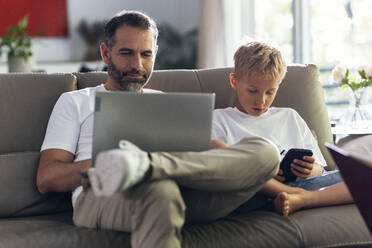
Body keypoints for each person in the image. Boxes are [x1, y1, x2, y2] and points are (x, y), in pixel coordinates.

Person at [36, 10, 280, 248]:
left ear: (155, 54)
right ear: (106, 53)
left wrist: (290, 190)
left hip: (184, 185)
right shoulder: (76, 101)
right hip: (102, 195)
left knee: (266, 153)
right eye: (126, 53)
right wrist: (106, 163)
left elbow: (214, 153)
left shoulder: (164, 100)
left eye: (146, 54)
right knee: (160, 191)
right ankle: (137, 166)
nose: (137, 64)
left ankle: (146, 165)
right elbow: (46, 178)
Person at [212, 40, 354, 216]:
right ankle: (300, 198)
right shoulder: (218, 119)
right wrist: (263, 177)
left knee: (360, 177)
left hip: (303, 185)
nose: (261, 101)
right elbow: (221, 173)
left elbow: (321, 170)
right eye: (252, 91)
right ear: (234, 81)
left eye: (270, 92)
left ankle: (300, 199)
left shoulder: (290, 116)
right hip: (253, 193)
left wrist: (310, 170)